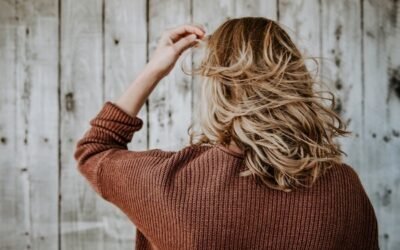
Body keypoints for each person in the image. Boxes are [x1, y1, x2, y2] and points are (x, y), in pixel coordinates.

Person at [74, 17, 379, 249]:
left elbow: (94, 149)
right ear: (296, 81)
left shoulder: (170, 181)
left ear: (217, 89)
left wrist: (155, 68)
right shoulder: (343, 187)